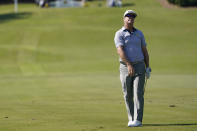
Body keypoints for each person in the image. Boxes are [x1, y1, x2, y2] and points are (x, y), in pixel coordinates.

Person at [114, 10, 151, 127]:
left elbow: (144, 51)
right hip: (125, 67)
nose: (131, 18)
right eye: (128, 16)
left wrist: (148, 66)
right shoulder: (119, 34)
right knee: (127, 94)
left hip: (140, 65)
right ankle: (131, 119)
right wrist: (129, 64)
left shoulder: (139, 33)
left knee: (138, 93)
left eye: (132, 17)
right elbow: (119, 50)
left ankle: (138, 120)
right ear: (124, 18)